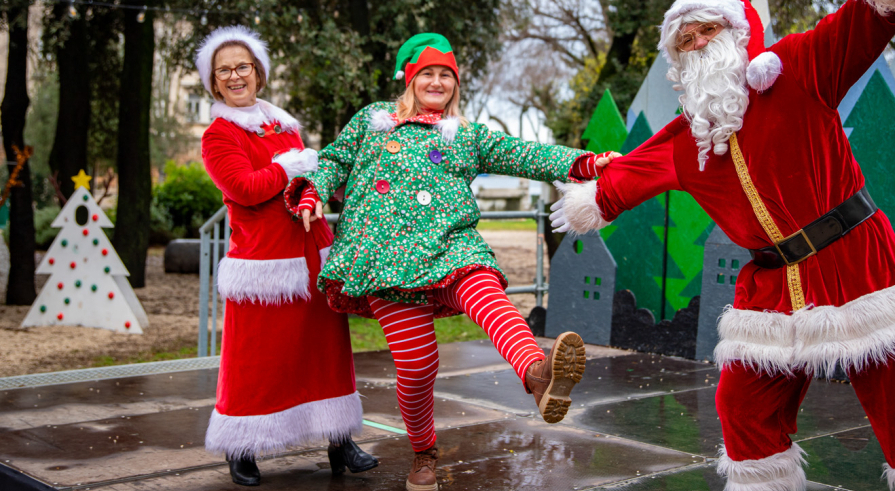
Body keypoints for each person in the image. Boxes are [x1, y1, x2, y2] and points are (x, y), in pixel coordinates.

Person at [551, 0, 895, 491]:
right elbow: (632, 172)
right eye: (686, 39)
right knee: (744, 405)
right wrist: (592, 199)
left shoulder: (796, 68)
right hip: (771, 287)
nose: (699, 43)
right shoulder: (690, 138)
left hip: (856, 262)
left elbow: (856, 27)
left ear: (738, 34)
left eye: (709, 30)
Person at [285, 32, 616, 491]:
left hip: (450, 245)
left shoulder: (464, 134)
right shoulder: (373, 121)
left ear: (456, 85)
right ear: (409, 79)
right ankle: (423, 453)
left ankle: (538, 374)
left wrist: (590, 163)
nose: (437, 81)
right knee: (418, 367)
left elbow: (526, 153)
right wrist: (314, 189)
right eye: (428, 73)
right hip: (383, 259)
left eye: (446, 75)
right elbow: (334, 161)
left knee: (488, 293)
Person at [197, 26, 377, 486]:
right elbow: (244, 188)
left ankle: (340, 441)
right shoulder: (218, 136)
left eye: (243, 67)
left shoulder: (284, 124)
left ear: (258, 73)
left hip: (310, 250)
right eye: (225, 71)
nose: (235, 76)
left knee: (325, 350)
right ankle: (242, 447)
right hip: (263, 263)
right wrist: (289, 167)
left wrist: (311, 193)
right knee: (255, 358)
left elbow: (303, 185)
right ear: (214, 83)